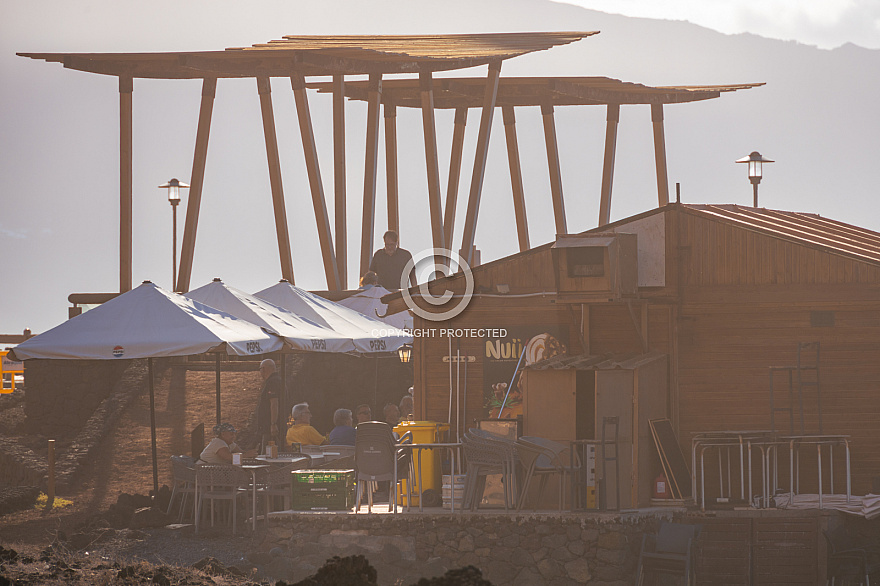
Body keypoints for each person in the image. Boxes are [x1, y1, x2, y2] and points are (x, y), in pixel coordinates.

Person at [257, 359, 285, 449]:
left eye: (260, 369)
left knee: (268, 454)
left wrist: (273, 424)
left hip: (271, 428)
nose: (260, 372)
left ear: (264, 369)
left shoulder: (272, 382)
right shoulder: (279, 380)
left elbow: (274, 403)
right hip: (277, 425)